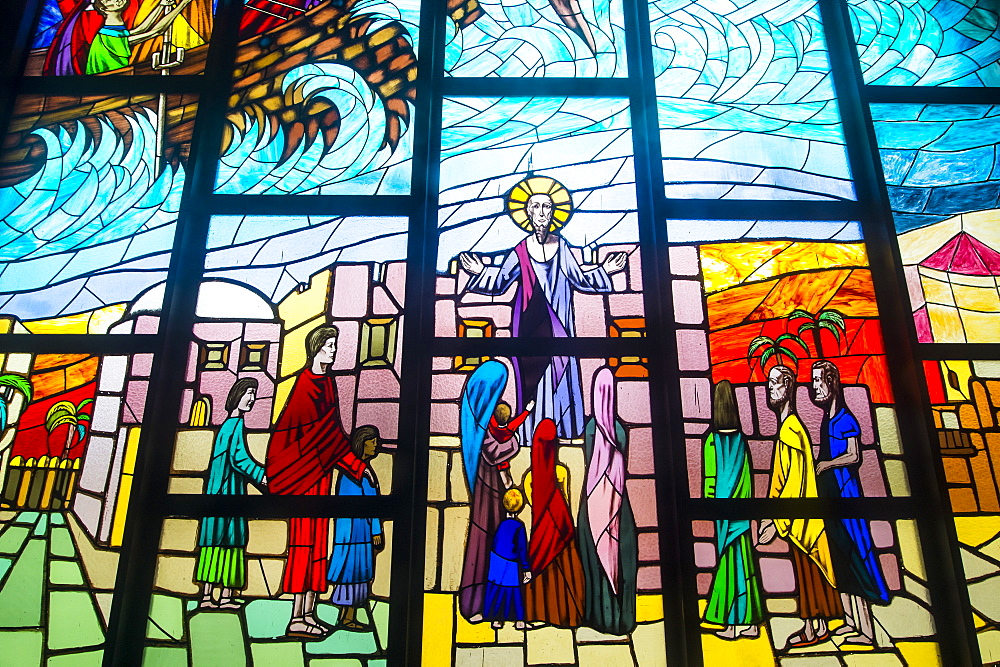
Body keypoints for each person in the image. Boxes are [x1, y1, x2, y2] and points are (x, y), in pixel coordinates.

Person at [459, 176, 626, 441]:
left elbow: (579, 278)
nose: (541, 213)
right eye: (535, 207)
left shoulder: (562, 247)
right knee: (531, 382)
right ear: (527, 213)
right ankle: (530, 433)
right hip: (528, 325)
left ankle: (563, 431)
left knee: (562, 374)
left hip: (559, 321)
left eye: (546, 207)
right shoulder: (521, 250)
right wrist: (480, 271)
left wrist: (605, 270)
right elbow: (501, 281)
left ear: (554, 213)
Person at [266, 324, 374, 639]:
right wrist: (351, 463)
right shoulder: (306, 385)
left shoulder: (328, 383)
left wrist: (355, 464)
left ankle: (309, 612)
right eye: (328, 345)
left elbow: (333, 433)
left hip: (320, 474)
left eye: (335, 345)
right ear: (315, 348)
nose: (333, 350)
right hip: (302, 476)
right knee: (303, 543)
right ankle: (296, 617)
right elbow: (301, 434)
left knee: (317, 544)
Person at [758, 365, 842, 649]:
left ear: (788, 387)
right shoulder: (789, 428)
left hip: (803, 519)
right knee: (806, 570)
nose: (770, 389)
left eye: (775, 384)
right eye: (768, 384)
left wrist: (777, 520)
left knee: (810, 570)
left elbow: (793, 483)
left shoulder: (791, 431)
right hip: (799, 517)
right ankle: (814, 625)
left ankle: (815, 626)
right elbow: (780, 480)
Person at [811, 360, 890, 645]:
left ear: (832, 384)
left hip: (847, 496)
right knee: (840, 557)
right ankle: (851, 621)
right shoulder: (827, 419)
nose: (814, 386)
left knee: (857, 555)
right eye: (813, 380)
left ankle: (867, 629)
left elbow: (855, 456)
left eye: (819, 380)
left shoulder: (845, 418)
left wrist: (828, 464)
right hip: (831, 497)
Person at [458, 360, 534, 621]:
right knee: (485, 537)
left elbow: (505, 436)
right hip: (487, 489)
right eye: (497, 389)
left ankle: (496, 602)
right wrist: (513, 442)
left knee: (501, 541)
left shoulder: (488, 420)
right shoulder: (482, 424)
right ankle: (475, 600)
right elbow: (496, 450)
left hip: (496, 487)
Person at [195, 378, 266, 610]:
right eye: (248, 393)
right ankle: (209, 597)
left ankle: (223, 596)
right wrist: (262, 475)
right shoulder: (233, 425)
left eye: (254, 394)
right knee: (220, 542)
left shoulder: (232, 425)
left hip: (228, 492)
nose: (252, 399)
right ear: (236, 395)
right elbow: (239, 459)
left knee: (228, 542)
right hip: (225, 493)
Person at [576, 367, 637, 635]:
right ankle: (622, 620)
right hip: (618, 505)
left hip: (591, 502)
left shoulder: (590, 429)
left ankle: (596, 616)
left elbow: (591, 463)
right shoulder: (621, 431)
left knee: (593, 561)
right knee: (622, 562)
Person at [702, 379, 762, 639]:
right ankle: (749, 622)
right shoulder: (740, 440)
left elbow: (710, 482)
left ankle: (734, 623)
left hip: (723, 514)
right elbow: (748, 477)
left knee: (729, 564)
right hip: (741, 514)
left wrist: (709, 506)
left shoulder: (713, 442)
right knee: (744, 565)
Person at [523, 418, 586, 626]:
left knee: (543, 562)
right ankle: (567, 612)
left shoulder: (533, 474)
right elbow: (566, 496)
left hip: (543, 523)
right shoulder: (559, 471)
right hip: (560, 519)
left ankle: (539, 612)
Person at [327, 425, 384, 631]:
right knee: (354, 574)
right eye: (373, 441)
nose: (377, 445)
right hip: (355, 535)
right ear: (362, 443)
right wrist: (376, 529)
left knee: (356, 574)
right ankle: (347, 617)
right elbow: (368, 505)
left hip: (354, 533)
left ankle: (347, 615)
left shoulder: (356, 470)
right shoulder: (356, 472)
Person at [483, 488, 532, 630]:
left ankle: (497, 620)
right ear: (521, 507)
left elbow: (495, 543)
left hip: (496, 560)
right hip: (511, 561)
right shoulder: (519, 526)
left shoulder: (502, 524)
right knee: (514, 590)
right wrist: (526, 569)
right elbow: (522, 549)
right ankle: (520, 621)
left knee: (498, 589)